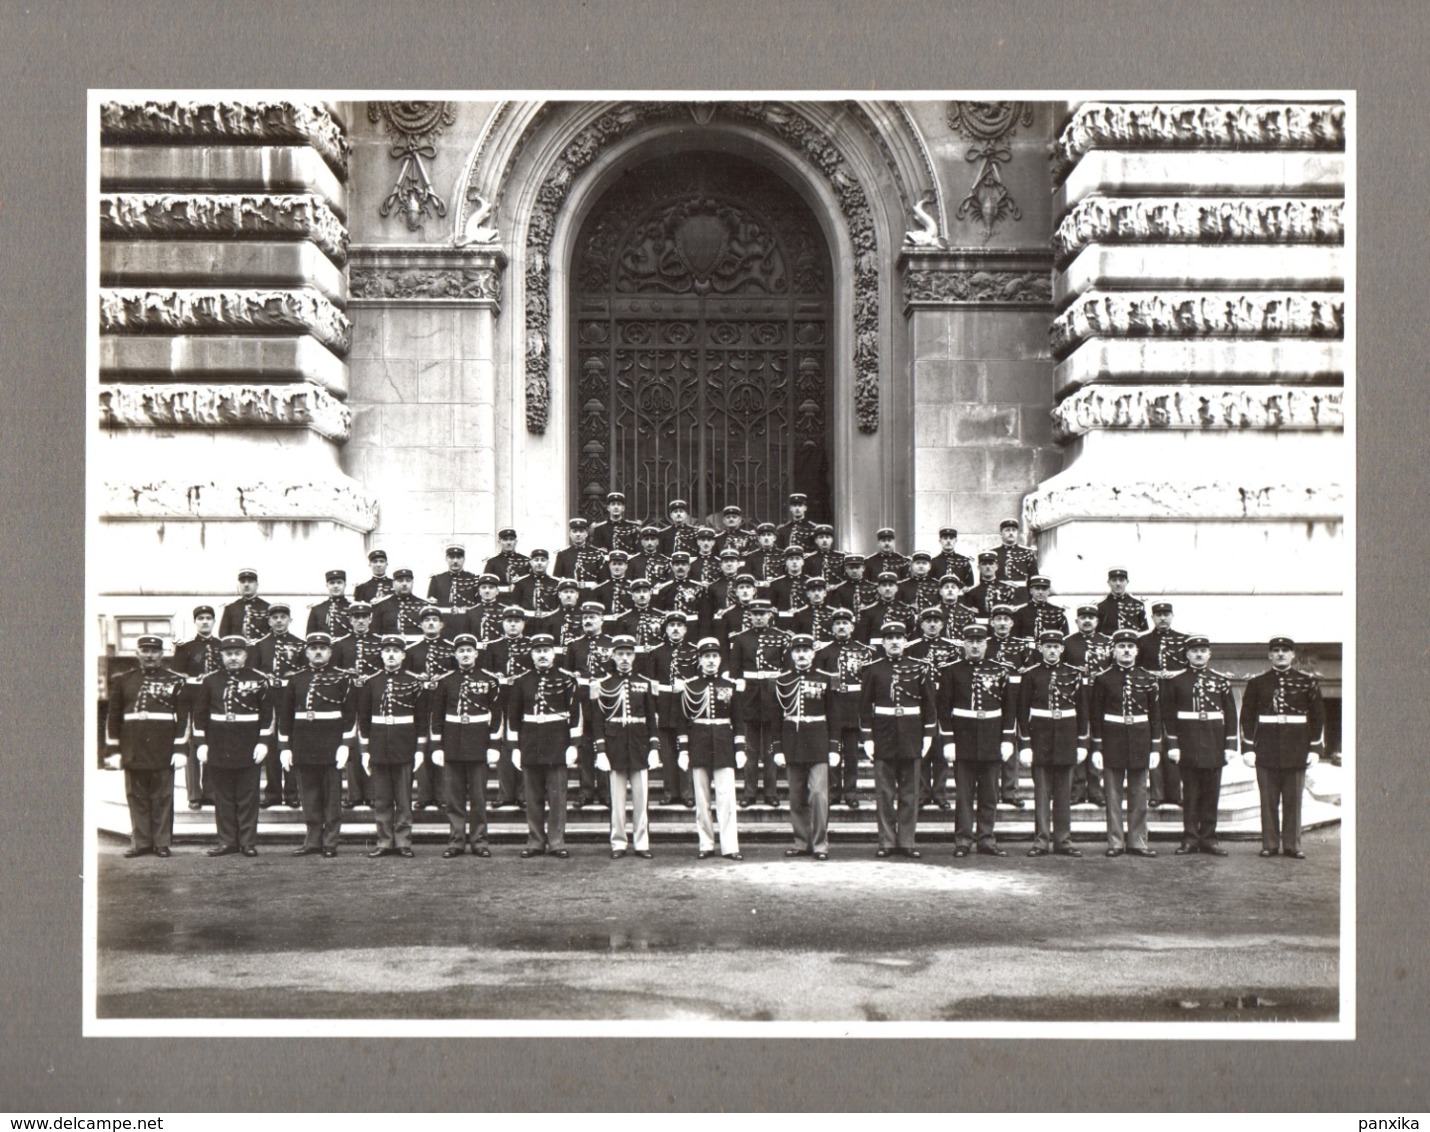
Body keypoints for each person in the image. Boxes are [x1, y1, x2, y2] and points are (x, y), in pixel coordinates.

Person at [1240, 636, 1326, 859]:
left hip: (1296, 748)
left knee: (1293, 800)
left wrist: (1315, 749)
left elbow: (1318, 718)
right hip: (1266, 749)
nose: (1280, 654)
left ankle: (1292, 845)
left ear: (1293, 655)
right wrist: (1248, 748)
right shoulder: (1257, 683)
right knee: (1268, 801)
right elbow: (1247, 718)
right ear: (1269, 655)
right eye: (1276, 650)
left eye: (1285, 651)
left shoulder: (1308, 682)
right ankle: (1269, 844)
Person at [103, 635, 190, 858]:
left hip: (162, 748)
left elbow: (184, 718)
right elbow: (113, 718)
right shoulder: (123, 680)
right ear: (137, 654)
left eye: (154, 651)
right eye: (145, 650)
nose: (149, 655)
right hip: (133, 748)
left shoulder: (176, 680)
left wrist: (180, 749)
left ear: (162, 654)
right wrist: (113, 750)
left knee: (162, 797)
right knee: (136, 796)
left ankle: (161, 842)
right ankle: (141, 842)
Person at [938, 625, 1017, 858]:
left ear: (986, 644)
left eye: (979, 641)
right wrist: (948, 740)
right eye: (970, 641)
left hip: (992, 738)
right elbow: (943, 708)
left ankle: (986, 839)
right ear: (963, 644)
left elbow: (1009, 709)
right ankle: (963, 840)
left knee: (989, 794)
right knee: (964, 795)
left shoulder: (1001, 670)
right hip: (963, 739)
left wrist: (1007, 739)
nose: (974, 645)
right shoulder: (952, 671)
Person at [191, 635, 273, 858]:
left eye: (238, 653)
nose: (233, 657)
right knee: (223, 797)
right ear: (221, 655)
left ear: (246, 655)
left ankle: (247, 842)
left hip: (248, 744)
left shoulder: (259, 679)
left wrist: (263, 743)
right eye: (229, 654)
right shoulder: (210, 680)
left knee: (248, 796)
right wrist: (201, 744)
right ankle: (227, 841)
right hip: (219, 744)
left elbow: (268, 715)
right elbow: (199, 715)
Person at [860, 621, 937, 858]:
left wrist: (928, 735)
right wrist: (868, 738)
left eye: (899, 637)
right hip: (883, 735)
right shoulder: (873, 669)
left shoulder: (920, 667)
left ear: (906, 641)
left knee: (910, 792)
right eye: (889, 638)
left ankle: (906, 841)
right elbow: (864, 707)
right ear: (883, 643)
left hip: (912, 735)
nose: (894, 641)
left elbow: (929, 706)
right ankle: (886, 842)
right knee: (884, 793)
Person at [276, 631, 356, 858]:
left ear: (330, 652)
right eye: (313, 648)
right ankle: (312, 841)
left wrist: (345, 745)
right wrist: (285, 747)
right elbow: (286, 716)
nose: (318, 651)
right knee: (309, 796)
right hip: (303, 744)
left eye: (323, 648)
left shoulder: (342, 678)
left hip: (330, 744)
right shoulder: (296, 679)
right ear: (307, 652)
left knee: (331, 797)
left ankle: (330, 842)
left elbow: (350, 716)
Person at [508, 633, 584, 859]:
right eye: (537, 651)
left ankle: (556, 841)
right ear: (531, 655)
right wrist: (514, 747)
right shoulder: (522, 681)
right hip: (530, 743)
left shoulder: (567, 680)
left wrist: (574, 745)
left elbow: (575, 715)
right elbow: (513, 716)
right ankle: (535, 841)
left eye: (546, 651)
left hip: (557, 743)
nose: (542, 655)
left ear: (554, 653)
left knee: (557, 797)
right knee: (533, 797)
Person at [1089, 628, 1163, 858]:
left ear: (1137, 651)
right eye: (1121, 647)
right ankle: (1115, 842)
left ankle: (1138, 841)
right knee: (1112, 794)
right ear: (1113, 650)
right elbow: (1096, 716)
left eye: (1130, 647)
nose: (1126, 651)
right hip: (1112, 740)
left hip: (1140, 739)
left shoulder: (1148, 678)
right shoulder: (1103, 679)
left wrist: (1156, 747)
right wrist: (1098, 747)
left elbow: (1156, 716)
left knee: (1139, 793)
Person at [429, 632, 502, 858]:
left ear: (476, 654)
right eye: (461, 651)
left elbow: (497, 715)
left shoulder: (490, 680)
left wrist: (493, 745)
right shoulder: (445, 680)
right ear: (455, 654)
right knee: (454, 798)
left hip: (478, 743)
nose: (465, 655)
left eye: (469, 650)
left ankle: (479, 841)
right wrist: (437, 747)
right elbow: (437, 717)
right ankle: (456, 841)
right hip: (452, 744)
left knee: (479, 798)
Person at [1162, 634, 1237, 856]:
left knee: (1211, 795)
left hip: (1214, 743)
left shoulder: (1221, 681)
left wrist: (1230, 745)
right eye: (1194, 651)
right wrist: (1173, 745)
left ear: (1209, 654)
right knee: (1191, 795)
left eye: (1203, 650)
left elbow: (1231, 716)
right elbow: (1168, 716)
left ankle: (1209, 839)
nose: (1198, 654)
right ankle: (1190, 839)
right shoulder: (1176, 681)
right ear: (1187, 654)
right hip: (1188, 744)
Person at [1016, 630, 1088, 858]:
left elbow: (1083, 713)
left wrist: (1082, 744)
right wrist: (1025, 744)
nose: (1052, 650)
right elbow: (1022, 712)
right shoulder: (1030, 675)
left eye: (1056, 646)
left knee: (1064, 794)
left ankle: (1063, 841)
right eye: (1048, 646)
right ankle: (1041, 841)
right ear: (1040, 648)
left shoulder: (1074, 674)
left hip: (1067, 738)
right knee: (1042, 794)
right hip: (1040, 739)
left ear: (1062, 649)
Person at [357, 635, 429, 858]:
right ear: (380, 654)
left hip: (404, 745)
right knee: (382, 798)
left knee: (404, 798)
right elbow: (364, 719)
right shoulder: (372, 682)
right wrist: (365, 750)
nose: (390, 655)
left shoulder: (414, 682)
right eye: (386, 650)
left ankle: (403, 842)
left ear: (403, 655)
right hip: (378, 745)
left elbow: (422, 719)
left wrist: (419, 750)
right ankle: (384, 841)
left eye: (395, 651)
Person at [590, 636, 661, 859]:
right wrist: (600, 750)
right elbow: (597, 721)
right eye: (620, 654)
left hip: (639, 745)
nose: (624, 659)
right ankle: (618, 843)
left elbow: (652, 718)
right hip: (615, 747)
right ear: (612, 656)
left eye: (628, 654)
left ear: (634, 656)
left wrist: (654, 747)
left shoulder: (646, 683)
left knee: (641, 800)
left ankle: (641, 843)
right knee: (617, 800)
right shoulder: (602, 685)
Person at [676, 638, 746, 860]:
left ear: (720, 660)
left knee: (726, 798)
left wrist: (740, 748)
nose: (711, 661)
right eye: (706, 657)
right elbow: (682, 721)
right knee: (702, 800)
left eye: (715, 656)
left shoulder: (730, 686)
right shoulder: (690, 686)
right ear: (699, 660)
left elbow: (738, 719)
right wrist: (684, 750)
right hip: (698, 743)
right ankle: (706, 844)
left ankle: (730, 846)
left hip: (724, 744)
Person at [773, 634, 839, 860]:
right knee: (796, 797)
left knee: (819, 795)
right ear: (791, 654)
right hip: (792, 742)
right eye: (797, 650)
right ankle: (802, 842)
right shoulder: (781, 681)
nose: (801, 654)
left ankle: (820, 844)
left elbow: (834, 716)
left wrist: (834, 748)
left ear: (813, 654)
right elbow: (775, 718)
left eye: (806, 650)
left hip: (818, 742)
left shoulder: (826, 679)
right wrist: (777, 748)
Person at [727, 599, 790, 808]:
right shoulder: (741, 639)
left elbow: (787, 671)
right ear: (749, 616)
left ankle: (771, 793)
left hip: (773, 697)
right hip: (750, 698)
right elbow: (735, 673)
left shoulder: (781, 638)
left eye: (763, 613)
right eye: (755, 613)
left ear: (770, 615)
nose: (759, 617)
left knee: (771, 749)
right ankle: (749, 792)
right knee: (750, 749)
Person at [815, 608, 875, 809]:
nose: (841, 627)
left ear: (852, 627)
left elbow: (868, 683)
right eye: (837, 623)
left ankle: (850, 792)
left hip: (853, 707)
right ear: (832, 628)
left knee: (850, 755)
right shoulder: (823, 652)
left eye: (845, 623)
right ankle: (833, 792)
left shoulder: (864, 651)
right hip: (832, 705)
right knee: (832, 751)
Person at [905, 607, 961, 811]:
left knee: (941, 749)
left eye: (936, 621)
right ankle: (922, 793)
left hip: (944, 702)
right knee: (922, 748)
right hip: (919, 702)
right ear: (921, 625)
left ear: (943, 624)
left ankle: (939, 793)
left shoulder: (953, 648)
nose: (932, 624)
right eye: (928, 621)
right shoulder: (911, 648)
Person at [252, 603, 305, 808]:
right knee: (272, 743)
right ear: (269, 621)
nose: (279, 621)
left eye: (283, 617)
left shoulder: (300, 644)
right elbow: (254, 672)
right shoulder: (259, 645)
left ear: (290, 620)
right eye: (275, 618)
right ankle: (273, 793)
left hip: (292, 698)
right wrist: (265, 678)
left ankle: (292, 793)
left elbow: (305, 673)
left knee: (290, 742)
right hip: (269, 699)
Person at [563, 600, 616, 808]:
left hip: (604, 700)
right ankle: (585, 792)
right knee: (584, 746)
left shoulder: (611, 644)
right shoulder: (574, 645)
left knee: (605, 745)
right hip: (582, 701)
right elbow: (568, 676)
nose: (588, 621)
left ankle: (605, 792)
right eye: (585, 618)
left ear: (601, 619)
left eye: (592, 617)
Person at [482, 605, 535, 810]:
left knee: (523, 743)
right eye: (509, 621)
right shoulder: (494, 647)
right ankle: (505, 793)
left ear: (523, 623)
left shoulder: (531, 645)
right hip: (501, 700)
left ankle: (523, 794)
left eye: (517, 621)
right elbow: (486, 672)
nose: (513, 624)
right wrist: (499, 678)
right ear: (503, 623)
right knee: (503, 745)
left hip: (526, 700)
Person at [645, 612, 700, 806]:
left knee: (686, 751)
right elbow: (651, 686)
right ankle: (669, 793)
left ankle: (687, 794)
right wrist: (654, 711)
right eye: (671, 625)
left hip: (686, 707)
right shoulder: (656, 652)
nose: (675, 629)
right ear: (666, 629)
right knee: (667, 753)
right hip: (664, 707)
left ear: (685, 629)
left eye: (679, 625)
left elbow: (700, 682)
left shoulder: (694, 652)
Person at [1138, 601, 1190, 809]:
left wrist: (1176, 674)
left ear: (1172, 616)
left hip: (1177, 696)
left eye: (1166, 614)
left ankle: (1175, 792)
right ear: (1152, 618)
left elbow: (1191, 669)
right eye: (1158, 615)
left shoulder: (1184, 640)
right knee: (1154, 741)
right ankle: (1157, 793)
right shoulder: (1144, 641)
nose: (1162, 618)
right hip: (1153, 694)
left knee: (1175, 741)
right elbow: (1137, 669)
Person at [330, 601, 381, 809]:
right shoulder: (341, 644)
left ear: (370, 619)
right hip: (349, 699)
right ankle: (354, 794)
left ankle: (372, 793)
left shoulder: (379, 642)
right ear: (350, 620)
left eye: (364, 617)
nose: (360, 621)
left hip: (372, 699)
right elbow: (334, 671)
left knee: (370, 743)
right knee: (350, 745)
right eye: (356, 617)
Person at [406, 605, 457, 810]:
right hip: (421, 704)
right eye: (426, 621)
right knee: (422, 746)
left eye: (435, 620)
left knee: (443, 746)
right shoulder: (412, 651)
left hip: (445, 704)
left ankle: (443, 795)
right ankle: (424, 795)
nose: (430, 623)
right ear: (420, 625)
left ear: (441, 624)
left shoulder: (451, 648)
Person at [1063, 605, 1112, 806]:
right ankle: (1077, 789)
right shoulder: (1067, 643)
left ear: (1097, 621)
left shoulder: (1108, 643)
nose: (1087, 621)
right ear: (1076, 621)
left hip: (1101, 696)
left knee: (1099, 740)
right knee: (1078, 740)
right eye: (1083, 617)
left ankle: (1096, 789)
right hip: (1076, 697)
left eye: (1091, 617)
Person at [173, 604, 221, 810]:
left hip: (215, 702)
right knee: (193, 746)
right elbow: (177, 676)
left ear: (213, 621)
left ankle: (210, 792)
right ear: (195, 622)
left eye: (208, 618)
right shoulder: (186, 647)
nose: (204, 621)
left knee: (212, 743)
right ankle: (194, 794)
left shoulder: (222, 646)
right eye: (200, 618)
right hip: (192, 701)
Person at [426, 543, 482, 632]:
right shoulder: (437, 579)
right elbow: (432, 607)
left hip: (467, 625)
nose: (455, 561)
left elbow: (479, 606)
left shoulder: (474, 579)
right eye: (451, 558)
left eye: (459, 557)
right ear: (446, 559)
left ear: (464, 559)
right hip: (444, 626)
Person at [554, 517, 610, 591]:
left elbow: (604, 581)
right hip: (571, 595)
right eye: (574, 531)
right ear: (569, 534)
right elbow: (557, 581)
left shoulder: (597, 554)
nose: (578, 534)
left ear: (586, 533)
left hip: (592, 595)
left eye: (581, 531)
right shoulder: (563, 554)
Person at [965, 551, 1023, 622]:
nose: (988, 567)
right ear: (978, 567)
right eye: (984, 564)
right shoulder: (972, 591)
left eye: (991, 564)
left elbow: (1014, 612)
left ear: (996, 567)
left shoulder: (1008, 588)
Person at [375, 568, 429, 640]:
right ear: (393, 584)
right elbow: (375, 633)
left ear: (412, 583)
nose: (404, 584)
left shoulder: (424, 605)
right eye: (400, 581)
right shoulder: (381, 605)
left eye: (408, 581)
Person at [219, 567, 270, 641]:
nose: (246, 584)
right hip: (237, 650)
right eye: (243, 582)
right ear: (239, 585)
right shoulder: (230, 608)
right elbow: (223, 635)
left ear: (257, 585)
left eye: (250, 581)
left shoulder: (267, 607)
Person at [1012, 576, 1069, 640]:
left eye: (1044, 589)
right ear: (1031, 591)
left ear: (1049, 591)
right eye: (1037, 589)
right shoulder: (1020, 612)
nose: (1041, 592)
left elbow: (1064, 637)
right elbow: (1015, 637)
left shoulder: (1057, 612)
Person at [990, 518, 1038, 595]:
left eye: (1014, 530)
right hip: (998, 593)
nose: (1011, 533)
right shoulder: (993, 553)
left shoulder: (1027, 552)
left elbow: (1034, 578)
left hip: (1021, 594)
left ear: (1017, 533)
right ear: (1001, 533)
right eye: (1007, 530)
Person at [1095, 567, 1150, 635]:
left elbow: (1144, 631)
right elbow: (1097, 633)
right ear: (1108, 583)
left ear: (1127, 582)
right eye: (1114, 580)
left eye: (1121, 580)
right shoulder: (1100, 605)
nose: (1118, 583)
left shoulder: (1138, 604)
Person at [512, 548, 561, 619]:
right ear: (531, 562)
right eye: (536, 560)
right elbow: (515, 605)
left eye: (543, 560)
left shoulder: (556, 582)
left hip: (550, 621)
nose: (539, 563)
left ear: (548, 562)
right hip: (527, 621)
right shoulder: (521, 582)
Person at [482, 527, 532, 595]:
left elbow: (533, 584)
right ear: (499, 541)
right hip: (500, 600)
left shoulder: (527, 561)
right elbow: (486, 586)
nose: (508, 542)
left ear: (516, 541)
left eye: (511, 539)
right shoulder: (492, 562)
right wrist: (507, 589)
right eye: (505, 539)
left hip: (522, 601)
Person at [306, 569, 353, 637]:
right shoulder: (317, 609)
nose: (335, 586)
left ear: (345, 585)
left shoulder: (352, 608)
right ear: (327, 585)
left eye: (339, 582)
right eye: (332, 583)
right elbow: (310, 636)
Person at [929, 527, 974, 591]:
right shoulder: (933, 562)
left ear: (955, 541)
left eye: (951, 538)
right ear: (940, 541)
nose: (948, 541)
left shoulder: (964, 561)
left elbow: (970, 584)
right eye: (945, 538)